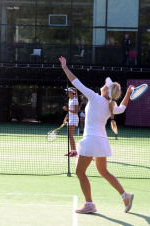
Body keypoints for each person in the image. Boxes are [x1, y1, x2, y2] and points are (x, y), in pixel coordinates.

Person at [59, 56, 135, 214]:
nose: (102, 86)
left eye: (104, 85)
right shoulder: (111, 106)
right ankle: (125, 196)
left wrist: (65, 68)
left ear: (106, 90)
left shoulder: (94, 97)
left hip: (91, 141)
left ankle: (89, 204)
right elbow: (123, 107)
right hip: (101, 142)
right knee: (104, 172)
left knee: (80, 172)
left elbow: (76, 82)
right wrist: (128, 93)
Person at [63, 87, 79, 157]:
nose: (68, 93)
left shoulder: (75, 100)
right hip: (71, 119)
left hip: (74, 119)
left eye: (69, 92)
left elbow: (76, 111)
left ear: (72, 92)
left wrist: (67, 109)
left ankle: (74, 151)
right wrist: (65, 119)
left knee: (70, 135)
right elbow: (69, 111)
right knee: (69, 135)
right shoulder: (70, 100)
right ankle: (72, 150)